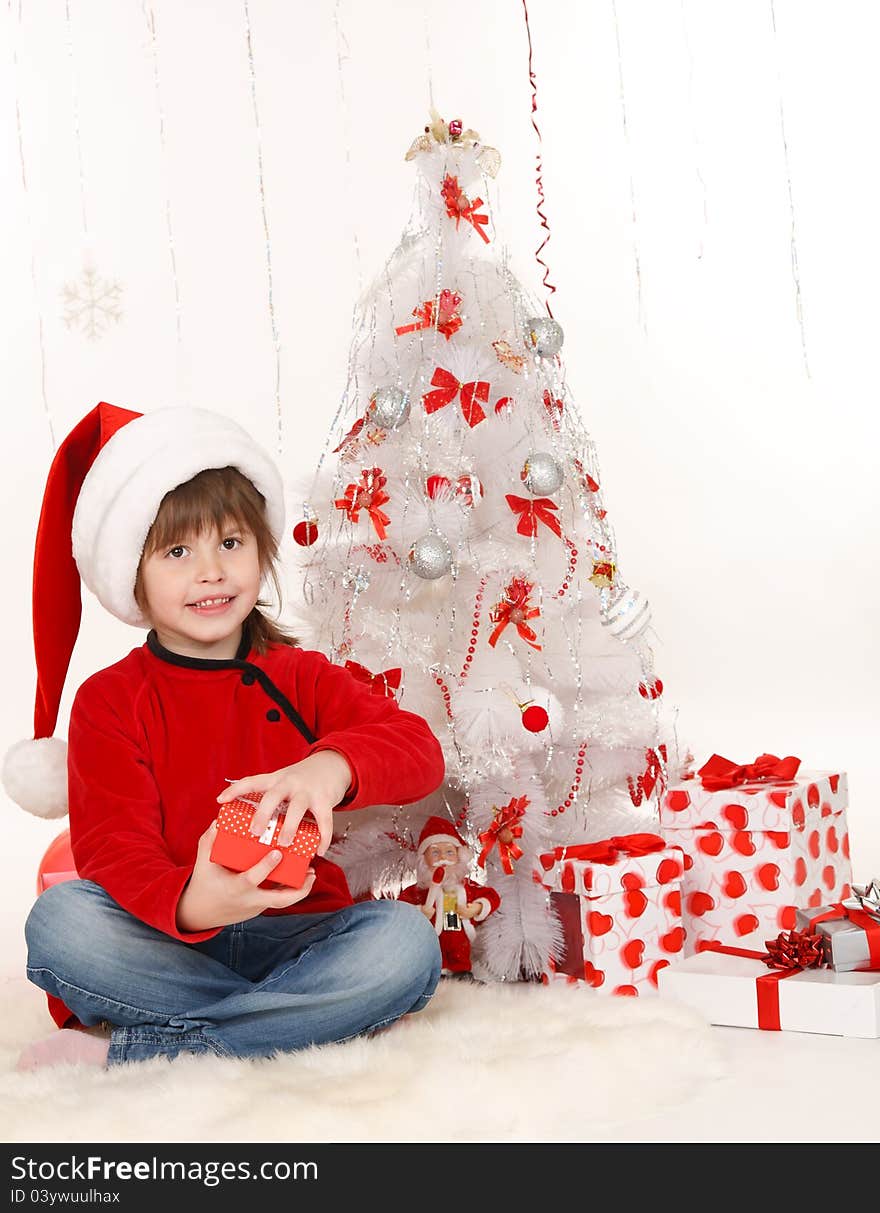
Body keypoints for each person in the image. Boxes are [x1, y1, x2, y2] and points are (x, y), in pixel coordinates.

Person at [3, 401, 444, 1070]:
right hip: (165, 944)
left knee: (405, 940)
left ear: (260, 552)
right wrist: (197, 898)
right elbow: (115, 857)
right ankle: (314, 1017)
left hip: (299, 934)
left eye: (230, 543)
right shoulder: (110, 701)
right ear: (133, 576)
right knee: (60, 922)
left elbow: (417, 748)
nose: (210, 571)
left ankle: (155, 1047)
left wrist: (326, 770)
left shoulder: (298, 675)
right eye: (178, 551)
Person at [398, 817, 500, 975]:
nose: (442, 858)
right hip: (433, 941)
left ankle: (462, 971)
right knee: (434, 952)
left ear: (460, 856)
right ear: (424, 859)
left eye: (449, 852)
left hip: (460, 937)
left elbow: (491, 896)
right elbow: (400, 908)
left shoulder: (467, 886)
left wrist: (477, 907)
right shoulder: (420, 890)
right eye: (435, 852)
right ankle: (437, 972)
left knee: (459, 950)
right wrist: (418, 911)